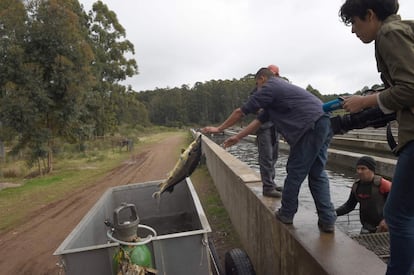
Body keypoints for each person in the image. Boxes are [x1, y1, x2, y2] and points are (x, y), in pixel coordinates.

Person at [202, 67, 337, 233]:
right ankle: (327, 219)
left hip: (310, 126)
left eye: (257, 83)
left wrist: (218, 128)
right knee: (317, 172)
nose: (257, 88)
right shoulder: (278, 95)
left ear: (262, 78)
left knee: (295, 172)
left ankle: (287, 213)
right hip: (323, 122)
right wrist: (238, 137)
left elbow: (240, 112)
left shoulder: (270, 87)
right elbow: (259, 121)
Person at [339, 0, 414, 273]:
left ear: (370, 15)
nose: (353, 31)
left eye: (354, 23)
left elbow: (410, 88)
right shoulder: (402, 30)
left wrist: (366, 101)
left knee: (396, 213)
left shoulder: (388, 34)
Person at [335, 156, 391, 234]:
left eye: (363, 168)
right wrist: (333, 213)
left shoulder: (384, 185)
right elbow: (349, 206)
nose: (359, 171)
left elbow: (397, 205)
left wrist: (387, 220)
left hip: (385, 227)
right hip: (367, 227)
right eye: (358, 168)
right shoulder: (356, 186)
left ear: (372, 170)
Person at [254, 64, 282, 198]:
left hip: (274, 127)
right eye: (275, 75)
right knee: (266, 157)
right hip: (264, 128)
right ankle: (268, 187)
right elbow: (255, 108)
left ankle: (272, 182)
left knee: (274, 156)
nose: (276, 78)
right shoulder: (259, 90)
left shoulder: (276, 88)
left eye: (277, 75)